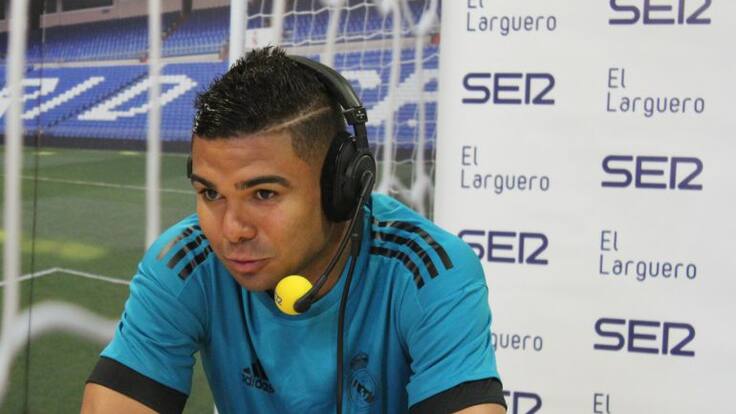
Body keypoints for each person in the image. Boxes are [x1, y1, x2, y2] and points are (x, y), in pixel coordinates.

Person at [81, 46, 506, 414]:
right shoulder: (187, 261)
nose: (231, 230)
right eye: (211, 193)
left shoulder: (428, 272)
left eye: (264, 194)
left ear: (340, 186)